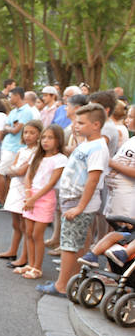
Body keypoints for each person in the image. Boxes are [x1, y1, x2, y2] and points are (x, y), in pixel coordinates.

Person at [37, 103, 111, 296]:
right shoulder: (87, 143)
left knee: (69, 245)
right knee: (77, 244)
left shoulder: (97, 147)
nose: (76, 126)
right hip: (72, 200)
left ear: (96, 124)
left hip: (79, 204)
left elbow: (93, 180)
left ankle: (61, 285)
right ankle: (73, 281)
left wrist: (80, 207)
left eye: (81, 123)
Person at [19, 124, 68, 280]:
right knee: (28, 232)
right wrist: (28, 194)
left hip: (44, 199)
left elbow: (51, 183)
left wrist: (34, 198)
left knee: (37, 234)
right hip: (30, 196)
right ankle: (30, 263)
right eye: (44, 137)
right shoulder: (37, 156)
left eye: (50, 138)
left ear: (59, 140)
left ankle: (37, 267)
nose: (45, 141)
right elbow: (28, 176)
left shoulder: (60, 159)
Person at [0, 120, 42, 269]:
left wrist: (12, 171)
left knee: (25, 225)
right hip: (15, 187)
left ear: (39, 135)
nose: (28, 135)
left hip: (25, 188)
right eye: (26, 132)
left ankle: (24, 257)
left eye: (32, 133)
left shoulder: (36, 152)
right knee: (15, 223)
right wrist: (13, 171)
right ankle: (12, 250)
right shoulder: (22, 150)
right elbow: (12, 168)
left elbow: (20, 171)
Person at [0, 87, 39, 210]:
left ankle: (1, 200)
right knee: (8, 175)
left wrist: (9, 128)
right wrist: (10, 128)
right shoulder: (14, 111)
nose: (9, 99)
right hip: (7, 146)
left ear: (18, 96)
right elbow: (7, 127)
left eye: (11, 96)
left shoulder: (26, 112)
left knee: (1, 172)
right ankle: (7, 202)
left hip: (16, 147)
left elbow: (15, 130)